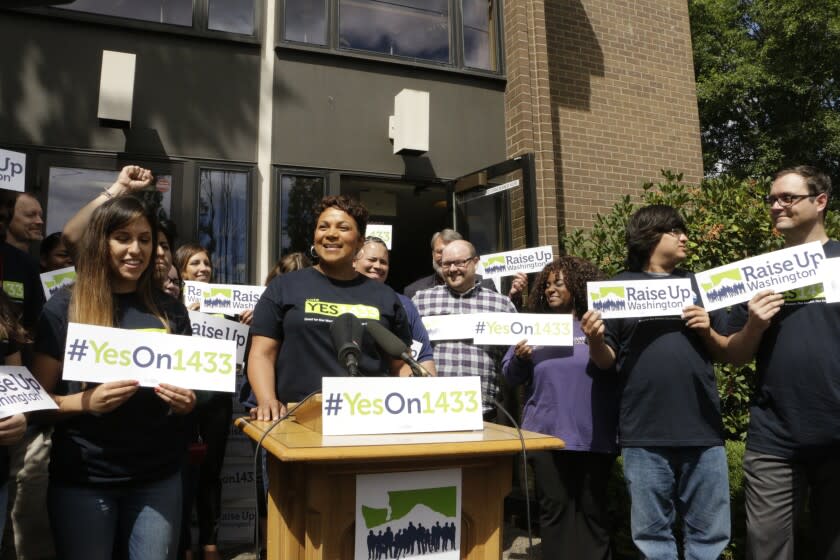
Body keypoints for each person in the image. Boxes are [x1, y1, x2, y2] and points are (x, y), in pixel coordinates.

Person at [32, 195, 196, 559]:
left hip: (158, 477)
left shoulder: (169, 309)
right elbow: (34, 401)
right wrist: (85, 402)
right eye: (123, 237)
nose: (135, 249)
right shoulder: (65, 306)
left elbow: (190, 388)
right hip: (85, 479)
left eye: (145, 238)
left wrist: (186, 403)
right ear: (100, 241)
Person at [581, 204, 731, 559]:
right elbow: (606, 363)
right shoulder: (616, 288)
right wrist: (594, 340)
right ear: (650, 236)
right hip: (643, 432)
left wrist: (707, 329)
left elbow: (727, 350)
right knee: (652, 538)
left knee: (710, 536)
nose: (685, 237)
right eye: (675, 231)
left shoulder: (699, 286)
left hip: (703, 429)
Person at [723, 166, 840, 560]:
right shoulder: (758, 274)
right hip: (774, 439)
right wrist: (754, 324)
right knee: (768, 548)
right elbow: (734, 355)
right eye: (772, 199)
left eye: (787, 198)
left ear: (819, 201)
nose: (776, 206)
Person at [247, 195, 411, 421]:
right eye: (323, 227)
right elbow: (261, 354)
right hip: (296, 421)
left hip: (369, 419)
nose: (331, 234)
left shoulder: (384, 296)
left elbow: (401, 365)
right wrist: (267, 400)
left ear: (361, 241)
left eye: (343, 228)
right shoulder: (284, 287)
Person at [502, 256, 620, 559]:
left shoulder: (596, 324)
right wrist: (519, 356)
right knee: (554, 513)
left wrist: (596, 338)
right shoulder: (532, 327)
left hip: (593, 436)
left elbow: (613, 368)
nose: (550, 290)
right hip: (545, 436)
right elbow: (510, 377)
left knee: (593, 514)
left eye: (558, 283)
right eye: (546, 285)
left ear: (578, 287)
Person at [412, 240, 516, 419]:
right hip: (433, 407)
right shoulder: (421, 300)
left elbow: (512, 358)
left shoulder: (501, 305)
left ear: (475, 262)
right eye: (446, 264)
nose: (452, 269)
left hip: (483, 409)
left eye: (459, 262)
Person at [174, 243, 230, 560]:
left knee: (211, 473)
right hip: (181, 399)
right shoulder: (170, 303)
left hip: (217, 399)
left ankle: (210, 542)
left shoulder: (225, 303)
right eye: (195, 263)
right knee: (181, 472)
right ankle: (183, 543)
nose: (203, 269)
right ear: (181, 269)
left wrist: (246, 324)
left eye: (207, 263)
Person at [353, 236, 436, 376]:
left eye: (383, 262)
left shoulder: (403, 304)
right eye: (372, 260)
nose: (378, 266)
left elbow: (423, 357)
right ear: (354, 262)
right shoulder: (333, 296)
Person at [403, 229, 516, 299]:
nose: (446, 257)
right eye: (440, 252)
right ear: (432, 254)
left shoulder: (485, 284)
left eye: (453, 252)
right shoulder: (414, 292)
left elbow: (500, 322)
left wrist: (514, 297)